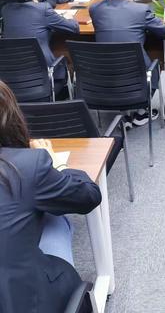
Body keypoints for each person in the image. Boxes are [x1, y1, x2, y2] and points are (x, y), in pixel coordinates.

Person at [0, 79, 101, 313]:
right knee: (57, 217)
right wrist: (56, 166)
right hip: (23, 302)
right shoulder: (26, 166)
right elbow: (89, 196)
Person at [89, 0, 165, 127]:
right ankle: (141, 112)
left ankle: (123, 111)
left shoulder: (94, 9)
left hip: (103, 70)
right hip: (134, 70)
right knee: (153, 68)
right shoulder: (140, 10)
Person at [2, 0, 79, 88]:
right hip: (46, 75)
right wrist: (69, 18)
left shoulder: (6, 10)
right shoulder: (43, 9)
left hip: (14, 79)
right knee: (67, 57)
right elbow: (74, 28)